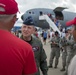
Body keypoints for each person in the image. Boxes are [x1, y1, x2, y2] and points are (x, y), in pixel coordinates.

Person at [0, 0, 37, 75]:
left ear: (33, 30)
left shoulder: (36, 43)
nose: (26, 30)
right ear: (14, 18)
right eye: (24, 27)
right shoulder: (25, 48)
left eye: (29, 28)